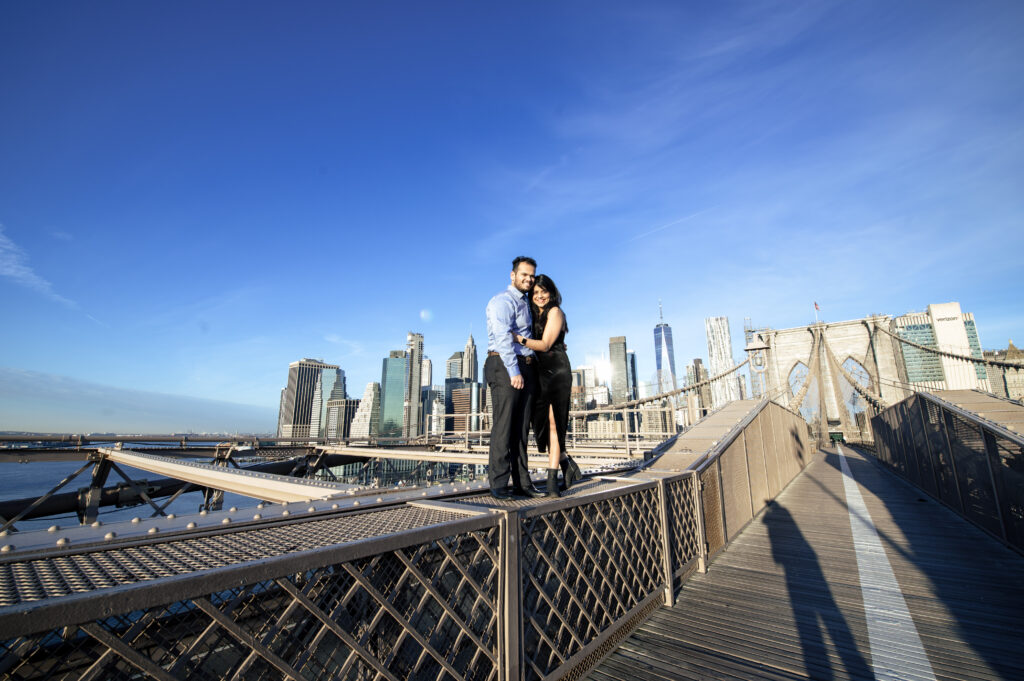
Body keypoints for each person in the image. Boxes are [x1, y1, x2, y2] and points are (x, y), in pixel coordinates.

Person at [514, 274, 582, 497]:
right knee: (541, 425)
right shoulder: (534, 315)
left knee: (554, 424)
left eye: (543, 291)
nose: (540, 296)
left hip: (556, 372)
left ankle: (552, 480)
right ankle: (568, 465)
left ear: (551, 292)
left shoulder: (555, 312)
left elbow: (544, 345)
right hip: (539, 373)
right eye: (535, 293)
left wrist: (519, 339)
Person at [484, 256, 542, 500]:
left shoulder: (526, 304)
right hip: (505, 364)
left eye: (531, 276)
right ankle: (498, 484)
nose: (528, 279)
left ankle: (522, 482)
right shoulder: (502, 302)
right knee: (505, 425)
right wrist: (514, 371)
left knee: (521, 428)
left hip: (526, 365)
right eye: (524, 275)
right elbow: (502, 338)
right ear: (513, 275)